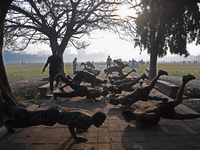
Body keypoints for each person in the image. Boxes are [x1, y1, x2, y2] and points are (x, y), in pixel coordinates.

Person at [0, 100, 106, 142]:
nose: (100, 125)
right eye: (100, 123)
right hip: (53, 115)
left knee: (31, 121)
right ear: (96, 119)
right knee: (28, 115)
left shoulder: (89, 114)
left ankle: (9, 123)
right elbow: (70, 123)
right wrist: (75, 138)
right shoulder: (87, 123)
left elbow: (76, 118)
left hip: (56, 110)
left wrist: (78, 128)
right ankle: (4, 107)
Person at [122, 74, 199, 128]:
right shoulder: (136, 112)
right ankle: (184, 82)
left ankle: (198, 115)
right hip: (159, 106)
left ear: (129, 116)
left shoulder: (140, 119)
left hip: (163, 111)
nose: (125, 119)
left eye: (125, 118)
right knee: (178, 100)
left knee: (181, 117)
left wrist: (148, 124)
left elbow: (154, 116)